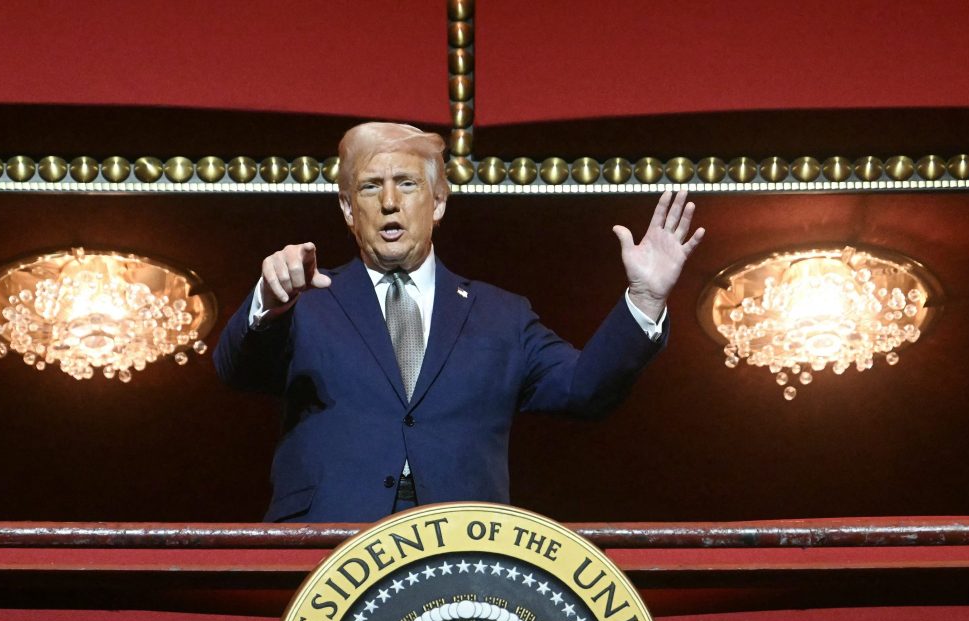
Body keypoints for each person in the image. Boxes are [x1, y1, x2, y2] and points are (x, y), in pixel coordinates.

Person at [214, 121, 705, 522]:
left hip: (460, 550)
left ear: (439, 202)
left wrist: (645, 298)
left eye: (407, 183)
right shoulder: (306, 299)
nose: (389, 201)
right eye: (370, 186)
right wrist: (268, 302)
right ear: (347, 208)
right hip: (331, 545)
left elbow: (585, 389)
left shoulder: (501, 315)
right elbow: (235, 369)